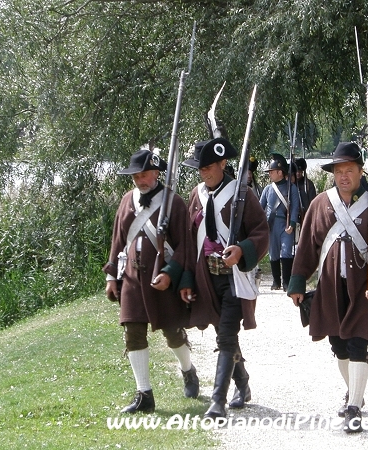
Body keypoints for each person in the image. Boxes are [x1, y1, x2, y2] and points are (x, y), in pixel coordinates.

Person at [287, 142, 368, 434]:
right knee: (339, 345)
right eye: (338, 171)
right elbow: (307, 245)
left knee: (358, 342)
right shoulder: (321, 203)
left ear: (360, 171)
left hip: (364, 285)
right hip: (331, 285)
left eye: (349, 170)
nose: (344, 176)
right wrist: (297, 283)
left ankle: (354, 407)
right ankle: (353, 392)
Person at [103, 145, 199, 414]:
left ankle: (188, 371)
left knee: (173, 333)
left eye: (144, 174)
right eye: (136, 176)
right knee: (133, 334)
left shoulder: (174, 202)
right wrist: (112, 276)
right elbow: (118, 240)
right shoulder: (127, 201)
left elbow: (185, 246)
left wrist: (171, 274)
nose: (140, 180)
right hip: (132, 278)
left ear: (156, 173)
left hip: (162, 277)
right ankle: (144, 393)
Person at [181, 137, 269, 419]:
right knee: (223, 333)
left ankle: (217, 401)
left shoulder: (242, 194)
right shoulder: (196, 195)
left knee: (227, 336)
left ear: (223, 163)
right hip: (206, 276)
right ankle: (242, 383)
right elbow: (187, 239)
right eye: (200, 168)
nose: (203, 173)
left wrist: (241, 250)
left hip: (234, 277)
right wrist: (186, 278)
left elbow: (260, 233)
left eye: (209, 167)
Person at [259, 153, 300, 291]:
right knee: (274, 252)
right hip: (271, 225)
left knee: (286, 251)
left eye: (272, 171)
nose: (270, 174)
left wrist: (292, 223)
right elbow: (260, 208)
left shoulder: (291, 188)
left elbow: (295, 207)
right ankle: (276, 281)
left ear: (280, 172)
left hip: (285, 224)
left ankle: (286, 282)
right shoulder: (267, 189)